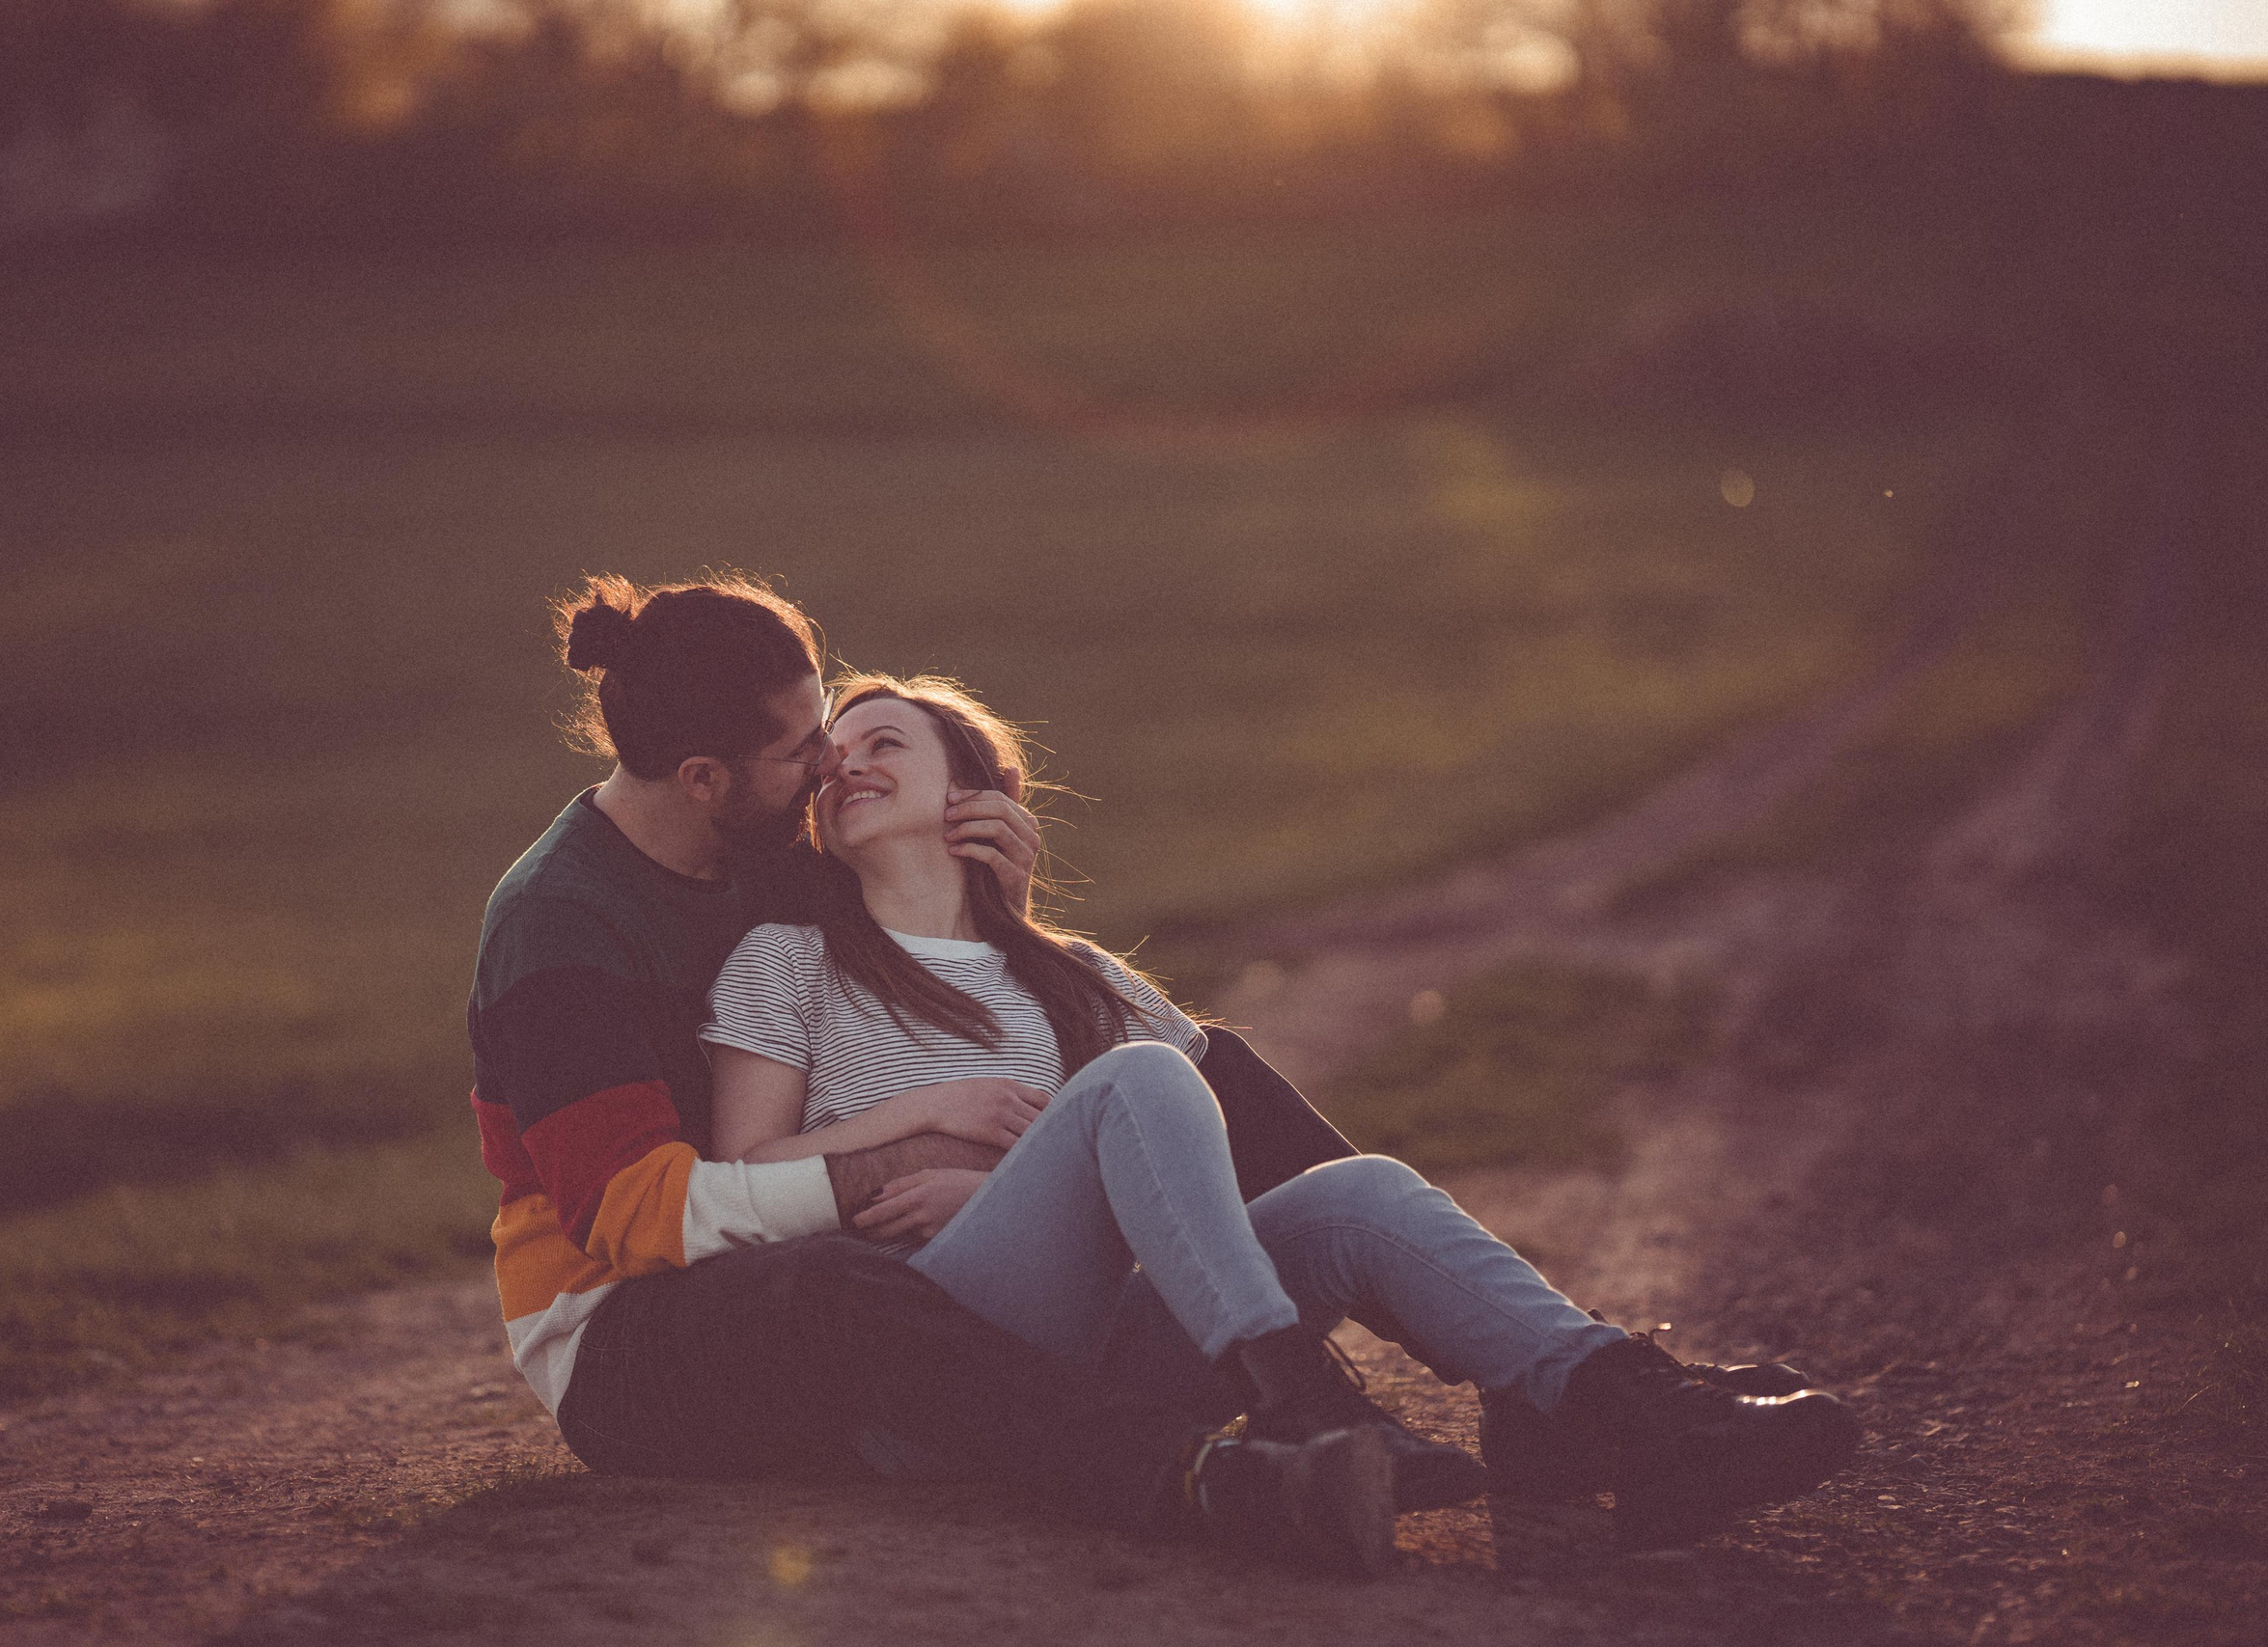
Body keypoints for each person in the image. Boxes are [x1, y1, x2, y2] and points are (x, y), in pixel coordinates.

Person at [701, 674, 1863, 1549]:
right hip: (938, 1366)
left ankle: (1618, 1406)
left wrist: (1018, 931)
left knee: (1358, 1191)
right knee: (1143, 1078)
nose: (844, 764)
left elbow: (1191, 1151)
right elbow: (741, 1172)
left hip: (1119, 1346)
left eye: (882, 743)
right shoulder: (788, 960)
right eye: (830, 758)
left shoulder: (1078, 976)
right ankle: (1295, 1401)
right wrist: (941, 1134)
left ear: (973, 790)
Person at [468, 573, 1409, 1577]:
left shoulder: (764, 849)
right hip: (625, 1339)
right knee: (838, 1285)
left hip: (795, 1250)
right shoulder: (561, 927)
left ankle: (1424, 1336)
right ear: (702, 777)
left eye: (824, 723)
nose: (829, 761)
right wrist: (904, 1153)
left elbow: (919, 960)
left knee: (1197, 1061)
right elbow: (632, 1216)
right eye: (800, 750)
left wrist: (999, 907)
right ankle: (1208, 1481)